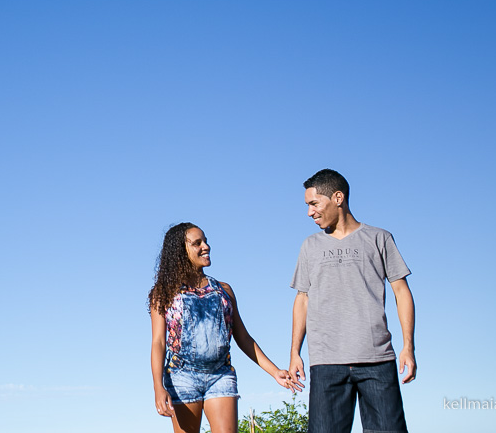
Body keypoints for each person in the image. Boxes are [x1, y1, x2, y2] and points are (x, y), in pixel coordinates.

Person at [289, 169, 416, 433]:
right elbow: (302, 299)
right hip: (326, 363)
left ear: (338, 197)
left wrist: (408, 347)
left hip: (377, 360)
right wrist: (294, 353)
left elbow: (401, 291)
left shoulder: (379, 238)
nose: (309, 212)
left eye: (314, 204)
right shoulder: (309, 246)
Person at [149, 222, 296, 433]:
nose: (206, 246)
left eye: (206, 241)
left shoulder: (224, 290)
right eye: (197, 243)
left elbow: (243, 337)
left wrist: (275, 372)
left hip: (221, 375)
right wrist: (158, 387)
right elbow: (158, 343)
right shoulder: (163, 293)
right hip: (182, 377)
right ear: (181, 251)